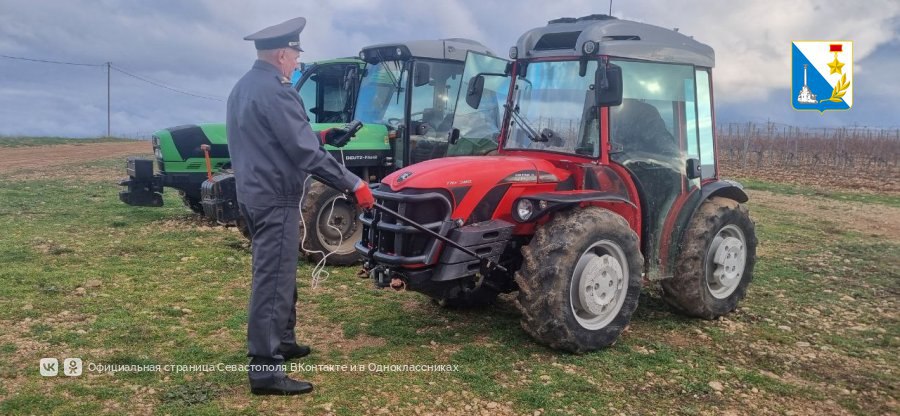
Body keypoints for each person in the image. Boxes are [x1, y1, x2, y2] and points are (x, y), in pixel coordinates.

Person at [225, 17, 375, 396]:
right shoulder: (277, 89)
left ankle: (285, 340)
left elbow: (277, 135)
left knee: (281, 269)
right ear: (280, 53)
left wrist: (324, 134)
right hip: (274, 195)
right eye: (294, 55)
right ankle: (265, 371)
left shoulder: (245, 87)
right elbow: (304, 152)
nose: (295, 62)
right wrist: (353, 182)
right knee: (272, 279)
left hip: (256, 192)